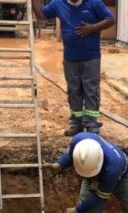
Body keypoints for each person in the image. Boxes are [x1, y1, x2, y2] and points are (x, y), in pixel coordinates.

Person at [31, 0, 115, 136]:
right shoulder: (58, 4)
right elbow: (41, 15)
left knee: (91, 91)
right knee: (73, 92)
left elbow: (110, 19)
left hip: (91, 57)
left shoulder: (94, 3)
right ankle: (76, 124)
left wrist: (93, 28)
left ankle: (92, 125)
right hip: (70, 59)